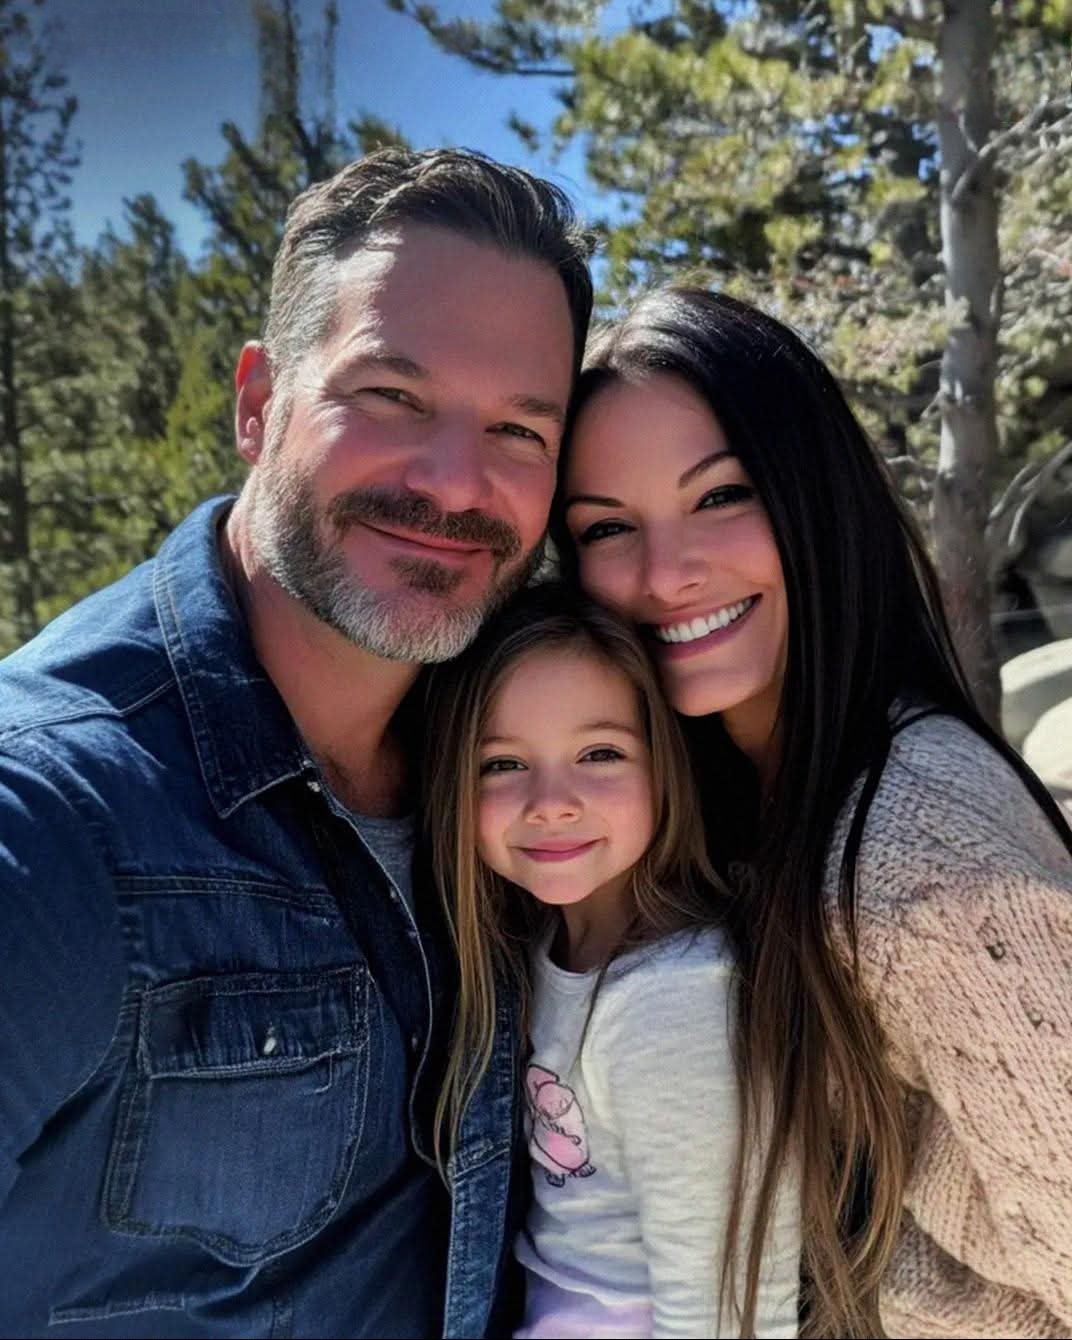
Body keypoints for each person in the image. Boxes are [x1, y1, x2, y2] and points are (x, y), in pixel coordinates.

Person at [0, 147, 593, 1339]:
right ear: (258, 401)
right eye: (392, 397)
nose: (454, 483)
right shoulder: (50, 820)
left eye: (518, 429)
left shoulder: (524, 755)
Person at [552, 287, 1072, 1339]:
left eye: (721, 495)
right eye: (607, 527)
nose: (666, 574)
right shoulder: (729, 796)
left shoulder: (919, 843)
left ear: (814, 494)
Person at [422, 581, 801, 1339]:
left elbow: (732, 1307)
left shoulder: (675, 1003)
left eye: (600, 754)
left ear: (664, 767)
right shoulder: (539, 948)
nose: (551, 802)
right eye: (503, 764)